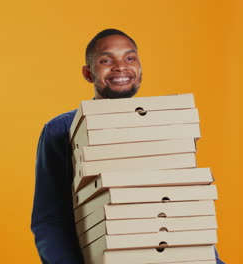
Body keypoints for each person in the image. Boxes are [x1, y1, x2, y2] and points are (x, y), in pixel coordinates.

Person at [30, 28, 225, 264]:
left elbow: (182, 198)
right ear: (88, 73)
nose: (120, 66)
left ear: (140, 69)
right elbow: (50, 219)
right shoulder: (62, 130)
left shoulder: (166, 123)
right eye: (106, 60)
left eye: (130, 58)